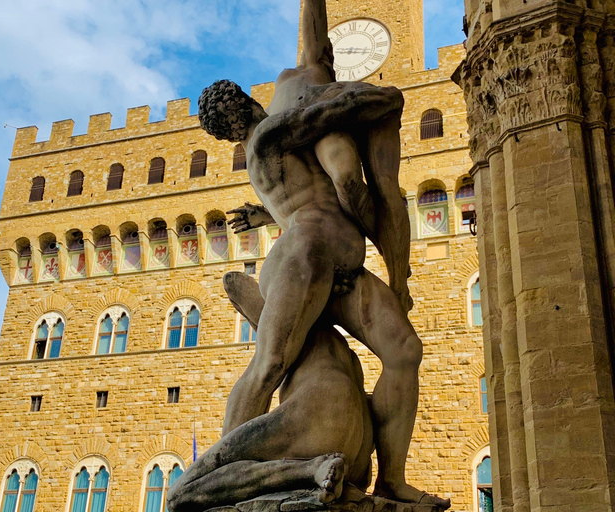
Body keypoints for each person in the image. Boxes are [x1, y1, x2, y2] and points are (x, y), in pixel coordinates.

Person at [198, 79, 447, 507]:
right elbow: (333, 111)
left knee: (405, 351)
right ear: (244, 104)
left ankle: (392, 480)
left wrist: (262, 214)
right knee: (271, 362)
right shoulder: (270, 135)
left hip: (342, 266)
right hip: (305, 254)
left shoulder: (276, 151)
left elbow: (306, 190)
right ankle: (219, 479)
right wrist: (385, 98)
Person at [165, 272, 374, 512]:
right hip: (358, 448)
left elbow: (233, 282)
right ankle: (316, 470)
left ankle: (311, 468)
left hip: (319, 417)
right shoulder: (345, 352)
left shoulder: (294, 323)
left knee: (179, 494)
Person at [266, 0, 413, 313]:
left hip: (363, 110)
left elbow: (313, 17)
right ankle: (358, 252)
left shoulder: (311, 66)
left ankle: (399, 279)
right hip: (321, 127)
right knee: (345, 181)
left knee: (379, 187)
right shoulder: (270, 119)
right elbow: (301, 193)